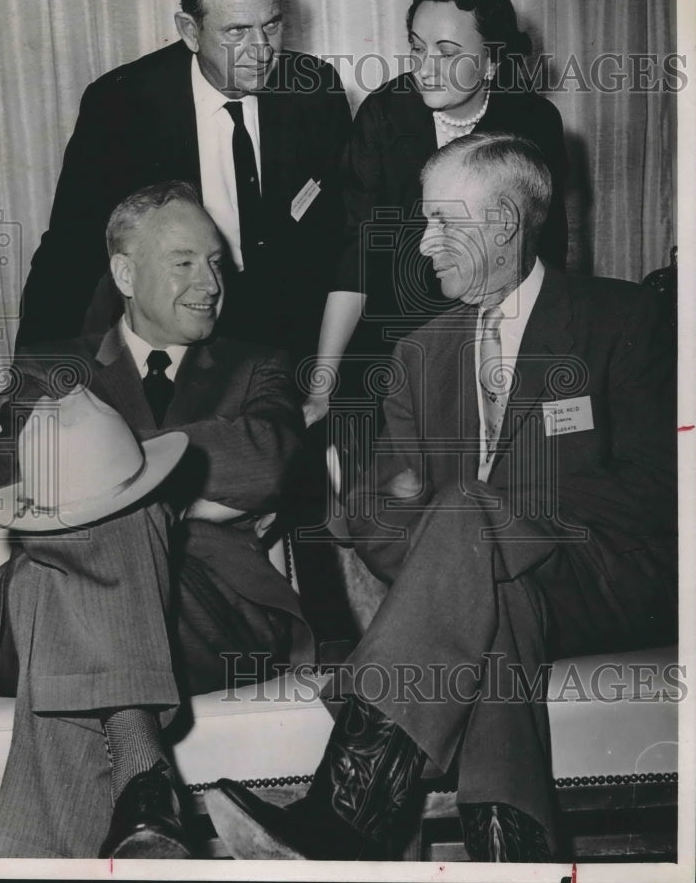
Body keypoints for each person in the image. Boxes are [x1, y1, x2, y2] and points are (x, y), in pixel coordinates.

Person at [203, 133, 676, 862]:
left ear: (506, 224)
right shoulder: (419, 354)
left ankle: (347, 806)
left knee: (465, 512)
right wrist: (458, 553)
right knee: (491, 603)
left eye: (443, 223)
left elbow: (657, 489)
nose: (425, 246)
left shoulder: (624, 320)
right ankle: (508, 846)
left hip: (604, 579)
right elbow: (378, 518)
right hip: (485, 598)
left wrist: (484, 511)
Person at [0, 181, 310, 858]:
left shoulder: (259, 365)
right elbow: (32, 495)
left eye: (217, 262)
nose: (210, 282)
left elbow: (272, 462)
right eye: (184, 262)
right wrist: (181, 489)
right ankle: (145, 787)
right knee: (66, 567)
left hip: (205, 607)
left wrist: (115, 468)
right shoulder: (48, 367)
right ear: (125, 273)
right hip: (41, 609)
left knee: (63, 581)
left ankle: (132, 786)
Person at [14, 0, 351, 361]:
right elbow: (70, 250)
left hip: (299, 338)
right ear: (190, 31)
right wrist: (32, 372)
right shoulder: (121, 105)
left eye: (272, 24)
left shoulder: (314, 88)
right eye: (237, 31)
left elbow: (343, 232)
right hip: (180, 344)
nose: (262, 50)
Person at [303, 0, 568, 428]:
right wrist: (322, 385)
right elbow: (356, 256)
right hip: (396, 333)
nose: (425, 69)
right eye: (416, 48)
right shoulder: (384, 116)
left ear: (492, 60)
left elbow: (546, 253)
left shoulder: (533, 122)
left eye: (447, 53)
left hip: (500, 328)